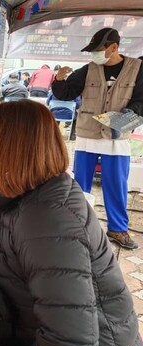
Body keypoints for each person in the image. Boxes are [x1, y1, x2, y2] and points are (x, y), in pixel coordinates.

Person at [0, 100, 142, 346]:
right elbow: (5, 225)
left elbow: (71, 344)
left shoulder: (48, 218)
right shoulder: (36, 192)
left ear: (12, 154)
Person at [52, 27, 143, 249]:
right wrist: (59, 79)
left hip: (117, 137)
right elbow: (66, 94)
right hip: (87, 135)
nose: (95, 55)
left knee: (116, 184)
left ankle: (117, 229)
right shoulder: (87, 70)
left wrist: (126, 117)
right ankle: (75, 227)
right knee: (80, 184)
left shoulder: (138, 69)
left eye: (98, 49)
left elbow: (141, 101)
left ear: (114, 47)